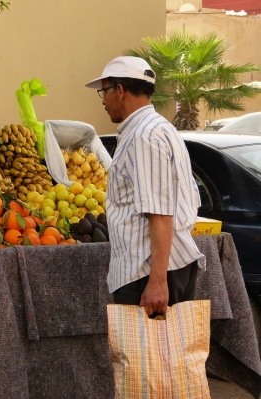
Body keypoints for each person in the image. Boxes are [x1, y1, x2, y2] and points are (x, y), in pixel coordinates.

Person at [85, 56, 205, 317]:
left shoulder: (143, 136)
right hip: (168, 265)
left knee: (143, 357)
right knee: (170, 356)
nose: (103, 101)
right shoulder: (160, 128)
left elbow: (160, 212)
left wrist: (158, 282)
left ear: (119, 90)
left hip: (147, 271)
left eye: (103, 92)